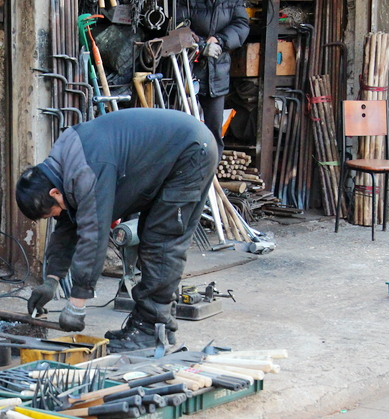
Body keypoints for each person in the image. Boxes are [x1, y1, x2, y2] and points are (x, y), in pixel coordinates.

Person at [16, 108, 218, 351]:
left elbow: (94, 236)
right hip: (173, 153)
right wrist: (52, 279)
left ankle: (149, 330)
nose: (57, 216)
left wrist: (76, 304)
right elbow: (69, 224)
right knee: (152, 236)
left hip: (190, 152)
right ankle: (153, 321)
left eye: (52, 213)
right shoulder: (62, 168)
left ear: (54, 193)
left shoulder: (86, 170)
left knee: (161, 241)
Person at [177, 0, 250, 152]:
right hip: (186, 69)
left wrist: (220, 40)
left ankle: (210, 171)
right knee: (181, 128)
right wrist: (201, 46)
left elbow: (241, 24)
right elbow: (177, 26)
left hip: (217, 72)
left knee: (214, 132)